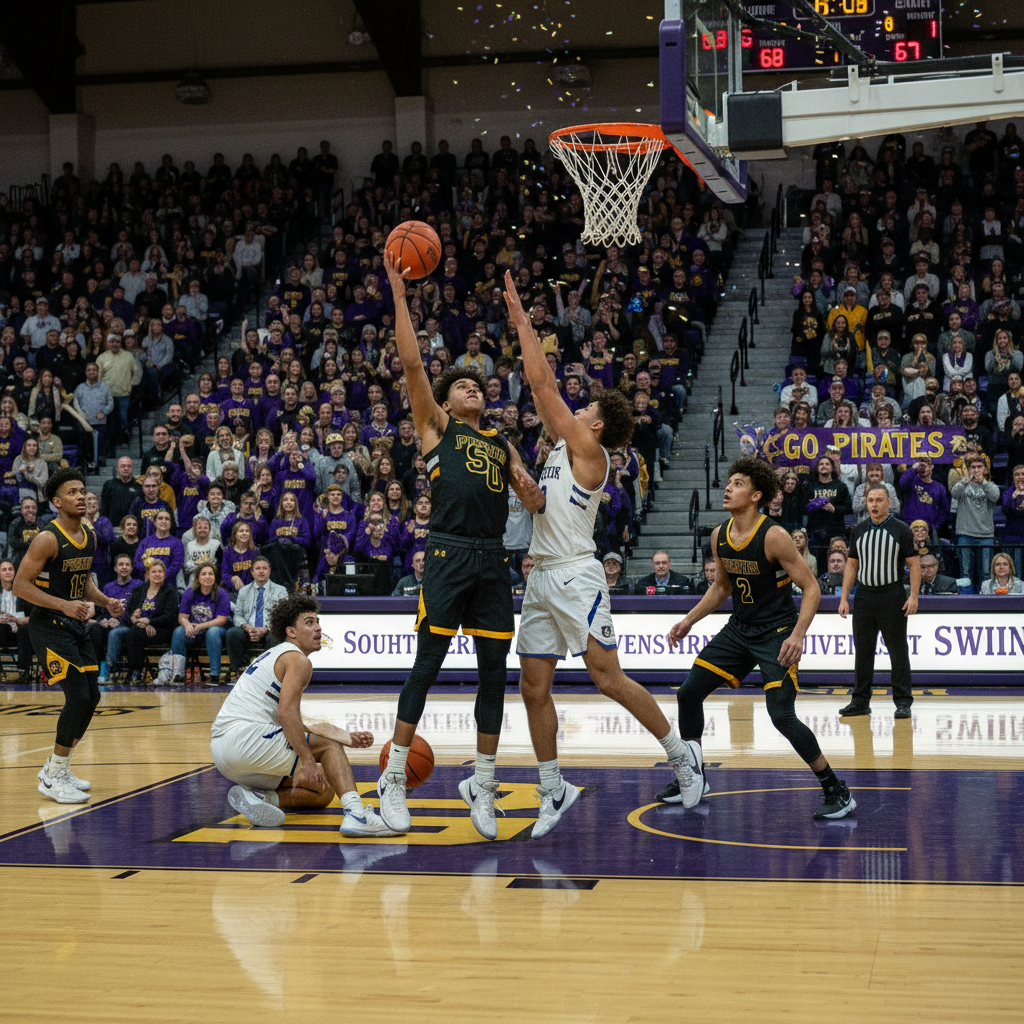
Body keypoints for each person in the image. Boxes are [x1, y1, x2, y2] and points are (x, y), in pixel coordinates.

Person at [504, 270, 693, 837]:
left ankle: (681, 755)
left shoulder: (590, 450)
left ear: (598, 424)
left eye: (584, 409)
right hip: (542, 574)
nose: (575, 411)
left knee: (606, 677)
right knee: (532, 686)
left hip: (578, 578)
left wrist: (522, 321)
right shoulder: (561, 453)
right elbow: (543, 505)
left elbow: (541, 388)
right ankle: (552, 785)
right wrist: (522, 483)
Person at [375, 252, 542, 840]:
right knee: (428, 663)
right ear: (447, 403)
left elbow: (536, 505)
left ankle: (485, 780)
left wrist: (528, 483)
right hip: (446, 552)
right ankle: (393, 777)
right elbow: (414, 363)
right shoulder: (436, 429)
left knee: (495, 673)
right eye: (462, 386)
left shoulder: (503, 442)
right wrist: (400, 294)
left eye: (479, 385)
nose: (473, 388)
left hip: (493, 557)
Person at [659, 457, 855, 820]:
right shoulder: (719, 535)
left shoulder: (774, 535)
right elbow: (721, 587)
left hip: (777, 632)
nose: (728, 487)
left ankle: (836, 789)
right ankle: (695, 776)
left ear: (756, 496)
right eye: (729, 481)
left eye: (738, 483)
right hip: (740, 628)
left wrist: (798, 635)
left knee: (781, 716)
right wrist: (689, 620)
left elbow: (811, 589)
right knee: (688, 693)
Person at [210, 593, 397, 836]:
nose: (318, 628)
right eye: (309, 622)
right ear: (291, 631)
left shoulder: (276, 655)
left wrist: (345, 736)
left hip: (227, 754)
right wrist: (308, 760)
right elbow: (286, 714)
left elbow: (297, 720)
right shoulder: (297, 659)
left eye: (318, 622)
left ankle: (260, 798)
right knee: (327, 749)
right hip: (245, 739)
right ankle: (356, 814)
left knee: (323, 792)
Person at [13, 467, 126, 803]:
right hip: (47, 626)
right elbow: (20, 585)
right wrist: (63, 605)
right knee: (77, 696)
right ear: (56, 502)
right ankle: (54, 775)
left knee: (92, 698)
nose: (81, 497)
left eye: (82, 491)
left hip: (75, 625)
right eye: (73, 492)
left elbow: (83, 581)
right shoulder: (47, 538)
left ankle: (56, 767)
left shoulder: (88, 533)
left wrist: (104, 601)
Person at [838, 484, 920, 720]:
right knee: (863, 651)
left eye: (879, 500)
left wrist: (914, 596)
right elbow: (851, 565)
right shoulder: (859, 530)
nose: (874, 504)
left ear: (888, 502)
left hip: (892, 595)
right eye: (870, 500)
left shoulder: (901, 529)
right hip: (864, 596)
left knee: (898, 651)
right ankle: (860, 701)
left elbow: (914, 564)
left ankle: (903, 701)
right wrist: (844, 598)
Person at [225, 556, 288, 678]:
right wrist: (247, 627)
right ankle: (239, 671)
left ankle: (271, 673)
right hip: (249, 630)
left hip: (269, 629)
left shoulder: (281, 591)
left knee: (277, 636)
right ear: (252, 572)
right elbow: (238, 615)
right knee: (232, 633)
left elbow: (282, 616)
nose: (261, 571)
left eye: (264, 568)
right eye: (257, 568)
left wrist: (264, 628)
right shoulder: (244, 590)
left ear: (269, 570)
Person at [171, 560, 231, 686]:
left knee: (213, 632)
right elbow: (182, 616)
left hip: (216, 632)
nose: (207, 577)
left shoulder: (222, 593)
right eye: (204, 574)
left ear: (215, 577)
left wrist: (200, 626)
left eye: (211, 574)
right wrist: (187, 625)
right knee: (178, 632)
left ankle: (214, 675)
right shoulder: (189, 592)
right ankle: (178, 674)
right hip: (194, 631)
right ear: (198, 577)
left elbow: (222, 619)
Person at [122, 559, 179, 682]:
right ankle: (136, 669)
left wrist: (149, 622)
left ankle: (135, 670)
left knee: (135, 633)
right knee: (134, 632)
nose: (157, 574)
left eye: (160, 571)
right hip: (140, 627)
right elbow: (129, 612)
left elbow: (170, 616)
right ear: (148, 574)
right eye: (154, 572)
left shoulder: (170, 591)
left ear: (165, 574)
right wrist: (137, 620)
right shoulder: (139, 590)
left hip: (162, 629)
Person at [0, 559, 33, 681]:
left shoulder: (23, 592)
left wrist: (17, 620)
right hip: (3, 631)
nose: (8, 572)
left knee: (24, 630)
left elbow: (34, 617)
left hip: (21, 630)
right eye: (4, 570)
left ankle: (23, 671)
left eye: (10, 569)